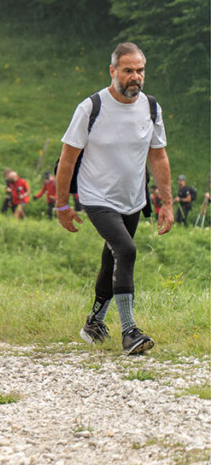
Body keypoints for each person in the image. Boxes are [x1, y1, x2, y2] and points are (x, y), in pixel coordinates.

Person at [55, 42, 173, 355]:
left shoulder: (151, 107)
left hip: (132, 197)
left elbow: (158, 156)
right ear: (112, 71)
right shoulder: (91, 107)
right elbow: (68, 158)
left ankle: (94, 323)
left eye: (140, 70)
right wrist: (62, 204)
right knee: (126, 250)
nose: (136, 76)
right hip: (96, 196)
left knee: (113, 259)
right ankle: (130, 331)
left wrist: (167, 203)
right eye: (128, 70)